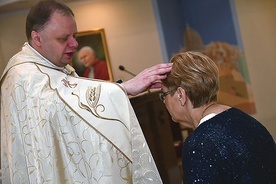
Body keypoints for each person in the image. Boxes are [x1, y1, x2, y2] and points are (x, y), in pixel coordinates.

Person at [0, 0, 172, 183]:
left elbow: (69, 98)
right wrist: (123, 89)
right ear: (37, 38)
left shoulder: (52, 68)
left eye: (74, 35)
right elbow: (60, 104)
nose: (74, 44)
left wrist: (122, 89)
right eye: (63, 38)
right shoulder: (23, 75)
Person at [160, 51, 276, 183]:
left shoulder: (199, 143)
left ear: (181, 95)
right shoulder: (246, 120)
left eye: (164, 95)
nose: (164, 102)